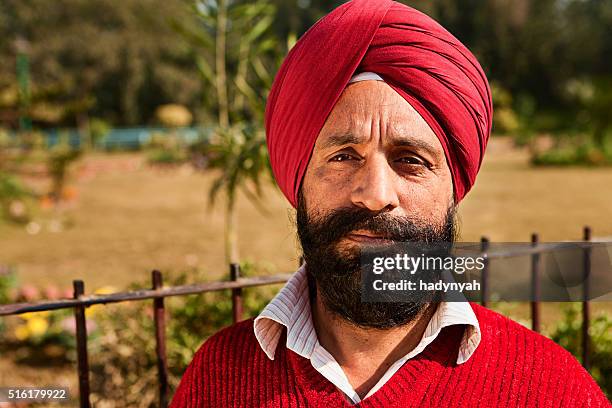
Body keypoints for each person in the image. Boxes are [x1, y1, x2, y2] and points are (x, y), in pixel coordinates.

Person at [171, 0, 609, 406]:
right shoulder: (218, 380)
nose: (377, 195)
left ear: (454, 187)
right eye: (344, 157)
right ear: (299, 177)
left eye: (411, 160)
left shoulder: (550, 388)